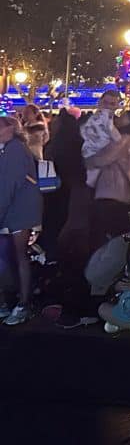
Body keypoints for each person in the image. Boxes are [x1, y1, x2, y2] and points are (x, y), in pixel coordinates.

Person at [0, 115, 42, 325]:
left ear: (10, 128)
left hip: (18, 211)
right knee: (16, 257)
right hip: (18, 210)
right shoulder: (14, 148)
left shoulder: (14, 149)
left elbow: (8, 185)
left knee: (17, 257)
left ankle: (21, 303)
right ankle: (15, 301)